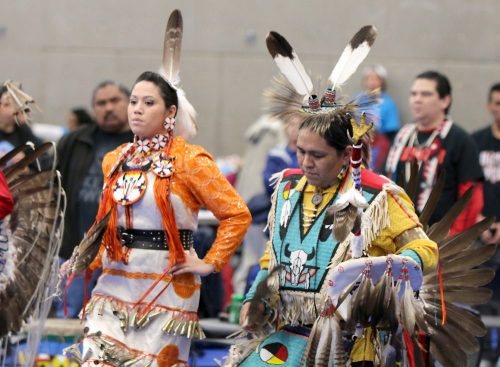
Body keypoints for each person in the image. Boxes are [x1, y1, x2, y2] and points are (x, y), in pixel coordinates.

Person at [224, 27, 439, 366]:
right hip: (286, 332)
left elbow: (426, 249)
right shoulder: (288, 188)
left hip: (347, 341)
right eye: (300, 151)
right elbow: (273, 256)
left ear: (344, 155)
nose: (306, 163)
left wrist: (379, 268)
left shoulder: (377, 196)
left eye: (318, 155)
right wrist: (255, 297)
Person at [64, 71, 251, 365]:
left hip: (168, 283)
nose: (137, 108)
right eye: (134, 101)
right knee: (95, 359)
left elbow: (236, 214)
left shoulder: (190, 160)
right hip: (115, 280)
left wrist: (209, 263)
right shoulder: (116, 159)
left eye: (148, 102)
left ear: (170, 111)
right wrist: (87, 259)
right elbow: (108, 223)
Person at [54, 80, 133, 318]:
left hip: (122, 257)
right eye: (101, 103)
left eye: (114, 101)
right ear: (93, 109)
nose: (108, 108)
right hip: (74, 251)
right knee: (67, 320)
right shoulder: (74, 141)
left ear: (130, 105)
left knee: (114, 323)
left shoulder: (141, 143)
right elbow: (51, 183)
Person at [385, 70, 483, 235]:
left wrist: (454, 238)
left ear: (445, 101)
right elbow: (386, 181)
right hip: (399, 233)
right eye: (413, 94)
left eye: (426, 94)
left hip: (441, 237)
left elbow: (471, 197)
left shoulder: (460, 140)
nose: (417, 99)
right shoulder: (402, 136)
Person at [473, 82, 500, 246]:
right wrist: (478, 220)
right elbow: (467, 185)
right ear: (489, 106)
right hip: (480, 228)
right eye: (498, 103)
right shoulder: (475, 141)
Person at [361, 65, 401, 172]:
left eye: (376, 79)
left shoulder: (388, 103)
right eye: (370, 79)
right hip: (358, 144)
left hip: (378, 147)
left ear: (382, 82)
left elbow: (392, 132)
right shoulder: (357, 99)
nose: (372, 82)